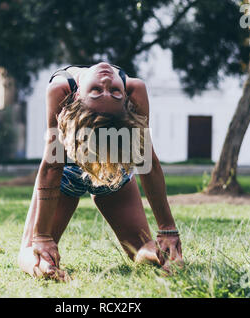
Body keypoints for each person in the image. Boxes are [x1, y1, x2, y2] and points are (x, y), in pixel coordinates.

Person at [18, 62, 183, 281]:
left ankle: (166, 257)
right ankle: (44, 269)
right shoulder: (60, 90)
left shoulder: (135, 90)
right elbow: (53, 165)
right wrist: (41, 237)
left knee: (141, 248)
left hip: (112, 173)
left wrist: (167, 230)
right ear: (76, 97)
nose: (106, 82)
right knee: (35, 249)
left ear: (126, 99)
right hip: (66, 175)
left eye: (115, 91)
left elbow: (146, 161)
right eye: (97, 91)